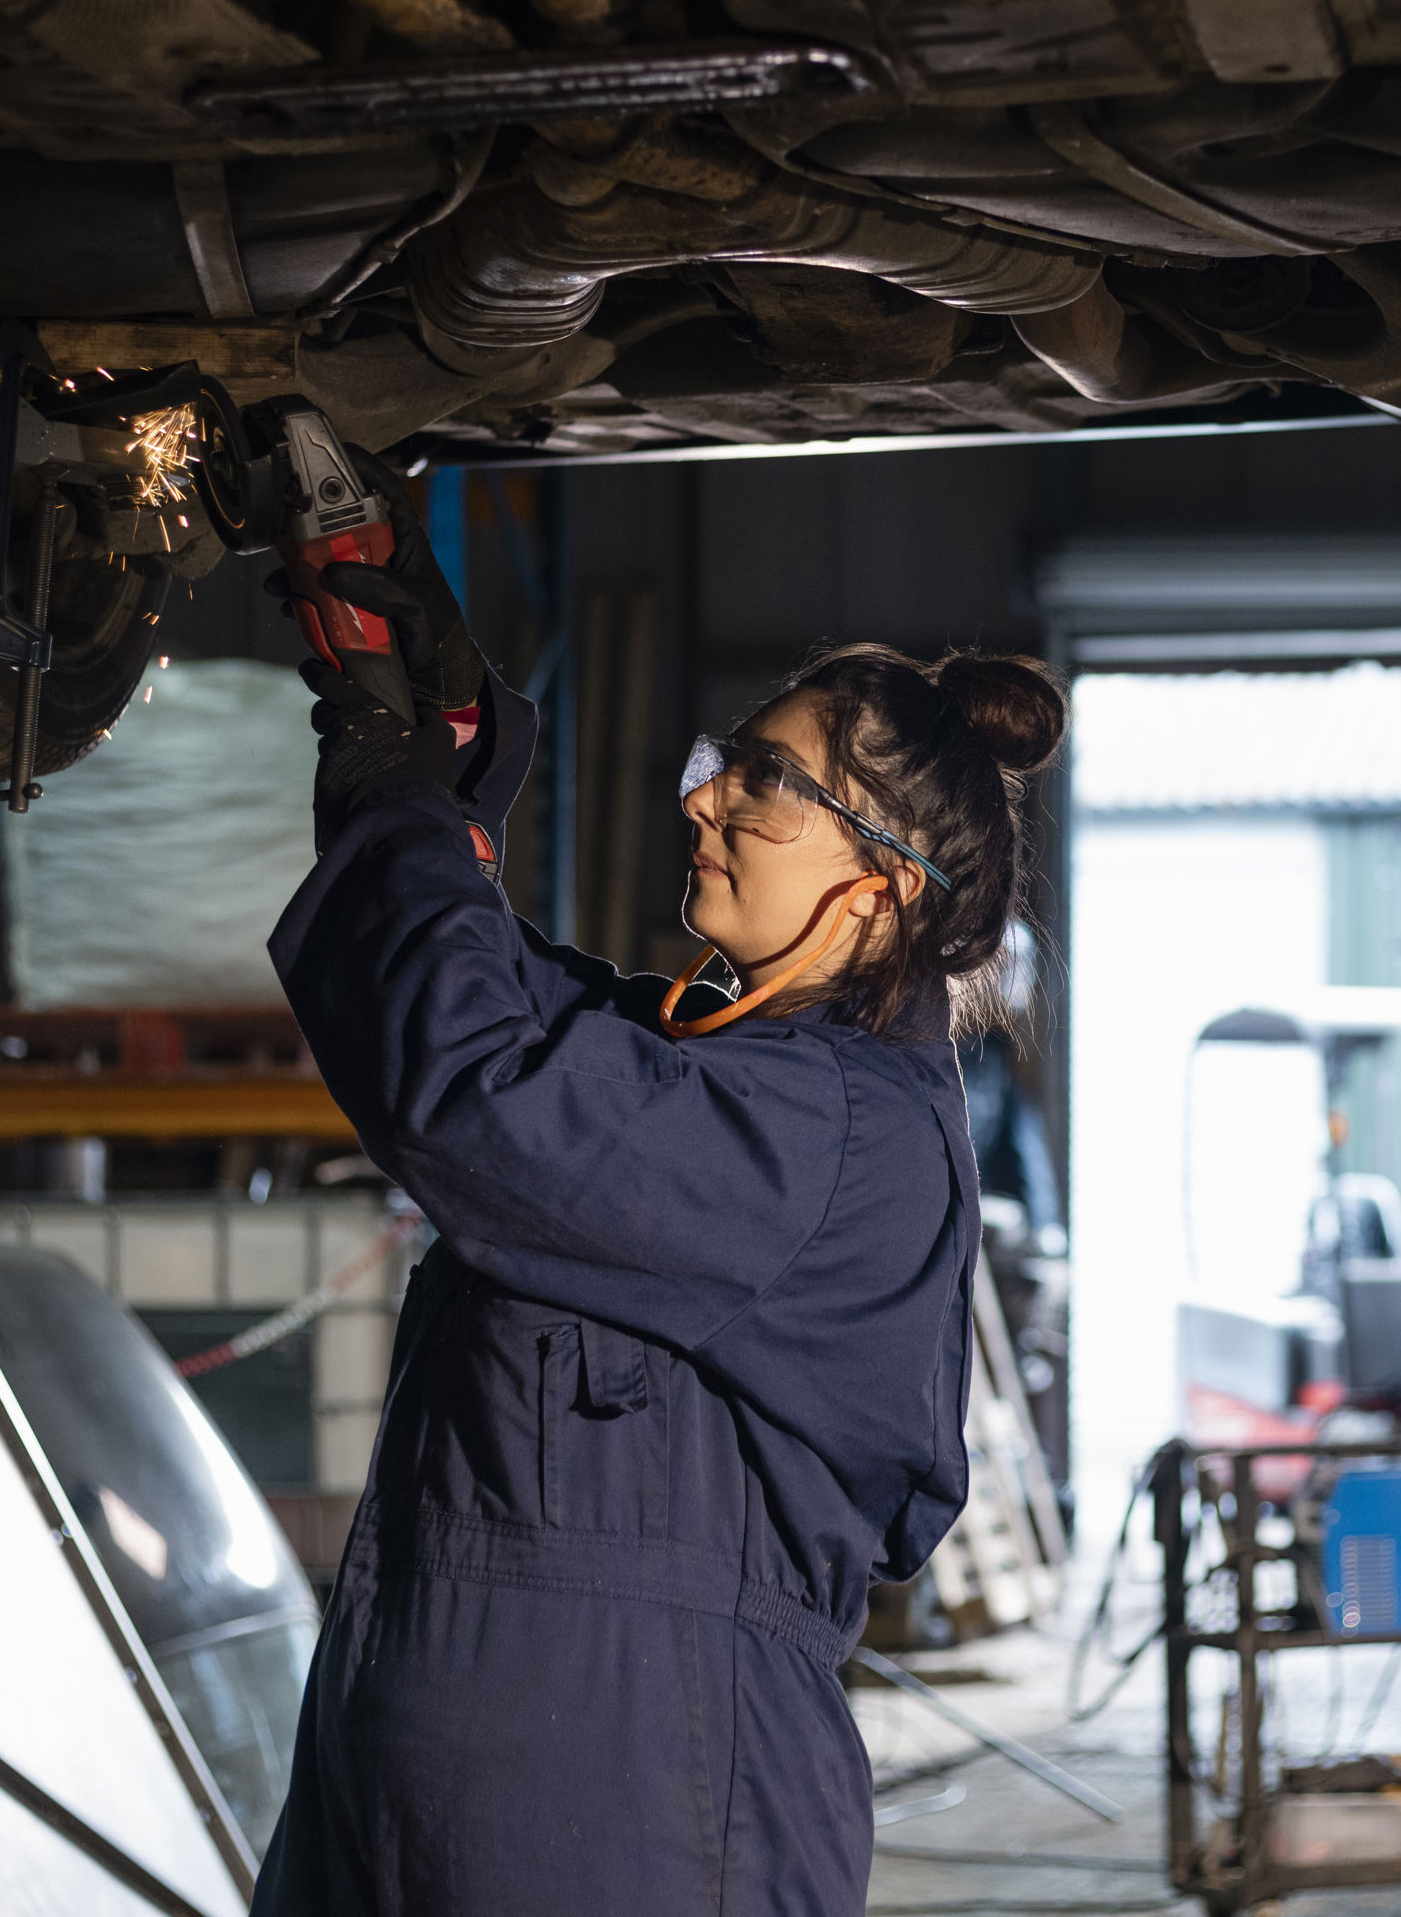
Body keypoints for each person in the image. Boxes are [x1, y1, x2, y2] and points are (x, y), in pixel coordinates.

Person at [252, 488, 1067, 1915]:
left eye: (758, 776)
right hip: (484, 1780)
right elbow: (479, 1004)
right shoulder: (725, 1073)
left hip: (630, 1798)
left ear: (880, 880)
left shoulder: (824, 1130)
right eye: (724, 760)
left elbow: (477, 1083)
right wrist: (446, 769)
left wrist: (407, 807)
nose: (699, 795)